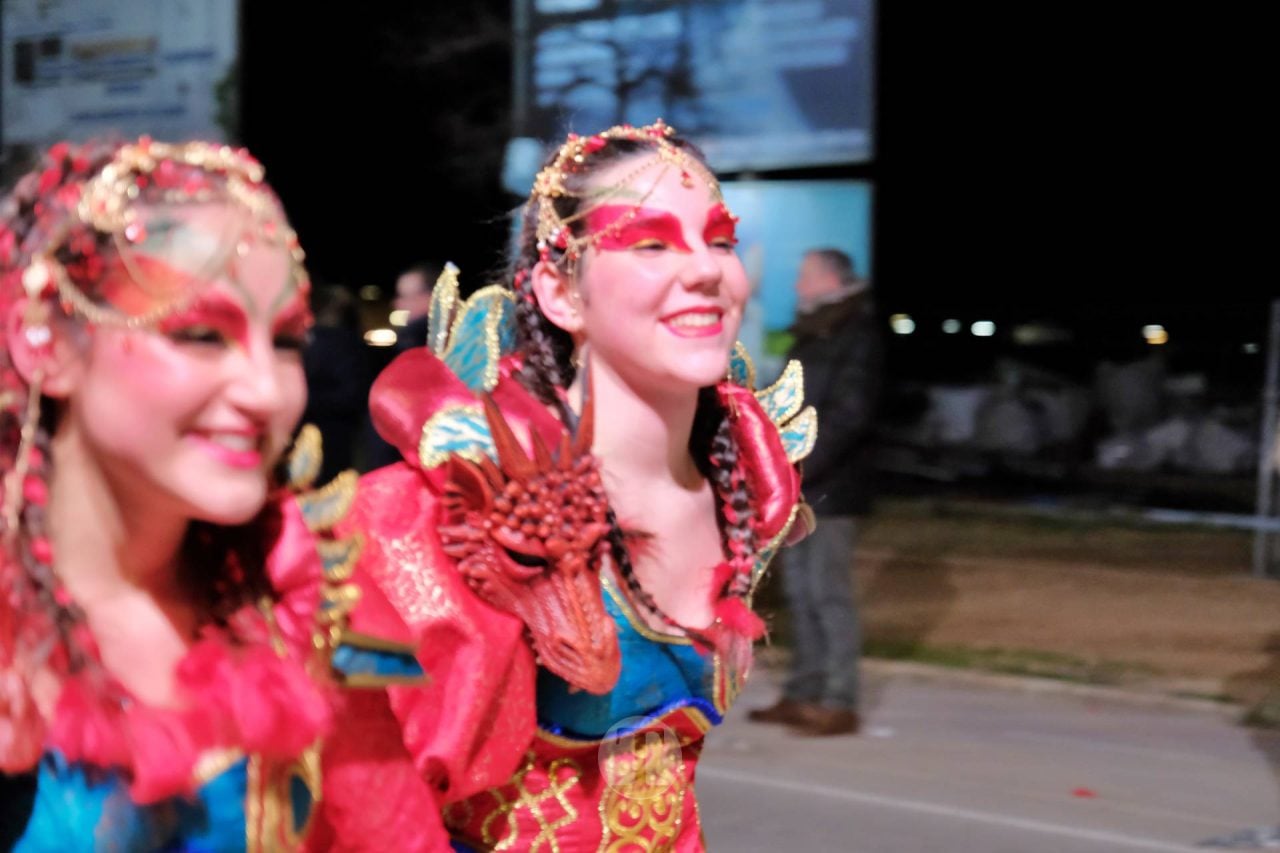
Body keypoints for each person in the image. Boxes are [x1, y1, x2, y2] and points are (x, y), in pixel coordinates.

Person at [354, 119, 815, 850]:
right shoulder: (475, 498)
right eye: (651, 242)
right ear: (561, 292)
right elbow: (368, 799)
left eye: (719, 238)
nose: (705, 271)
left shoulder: (747, 487)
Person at [0, 139, 440, 850]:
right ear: (45, 338)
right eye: (202, 332)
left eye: (289, 339)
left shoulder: (313, 611)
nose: (266, 391)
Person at [749, 248, 884, 736]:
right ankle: (802, 692)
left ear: (830, 279)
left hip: (833, 488)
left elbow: (849, 415)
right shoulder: (813, 330)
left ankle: (838, 700)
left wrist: (803, 466)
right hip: (799, 483)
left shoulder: (857, 335)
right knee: (801, 592)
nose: (797, 285)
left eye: (805, 275)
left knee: (829, 594)